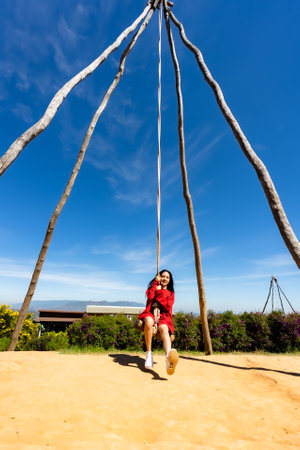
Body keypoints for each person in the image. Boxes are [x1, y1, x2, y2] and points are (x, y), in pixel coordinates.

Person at [138, 269, 179, 375]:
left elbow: (166, 306)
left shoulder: (170, 293)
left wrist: (160, 291)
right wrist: (155, 284)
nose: (165, 278)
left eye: (167, 277)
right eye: (163, 276)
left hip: (164, 316)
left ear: (169, 281)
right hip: (150, 312)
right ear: (159, 277)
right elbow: (150, 297)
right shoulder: (153, 287)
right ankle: (149, 354)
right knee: (148, 321)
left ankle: (168, 359)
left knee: (164, 329)